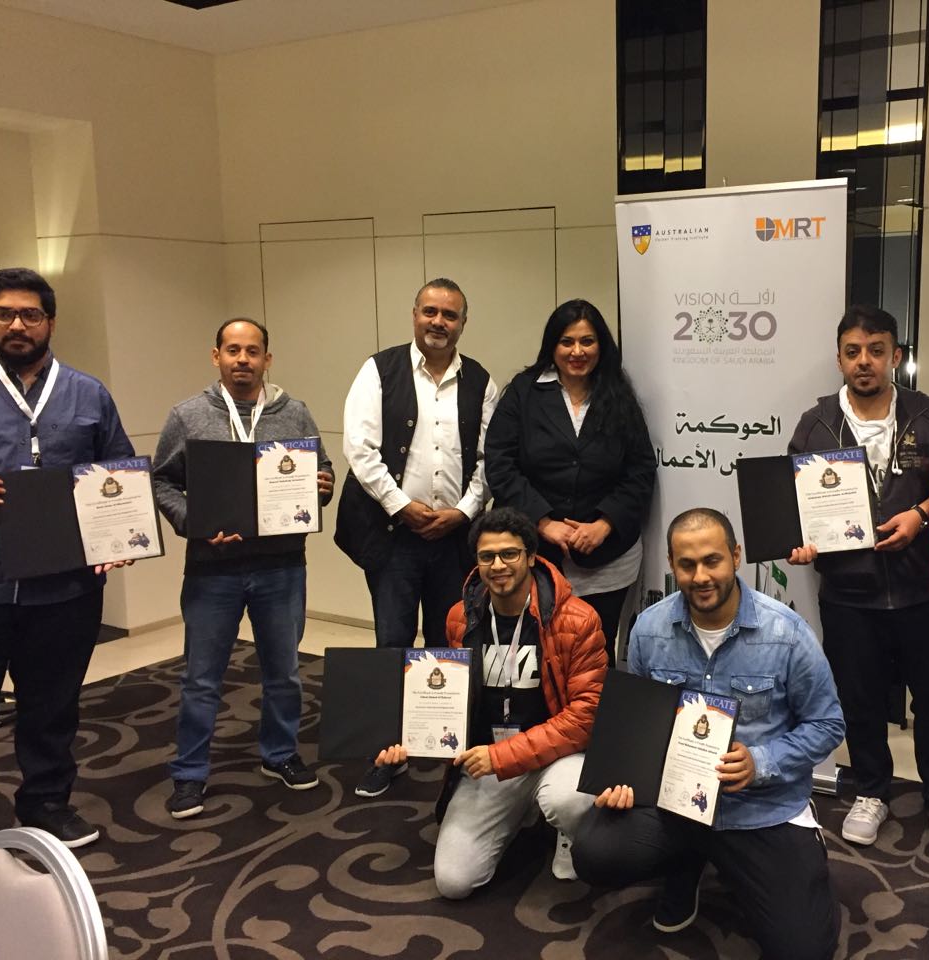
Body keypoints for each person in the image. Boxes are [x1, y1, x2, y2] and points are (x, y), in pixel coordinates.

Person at [572, 508, 845, 960]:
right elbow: (637, 722)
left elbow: (828, 724)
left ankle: (794, 849)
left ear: (735, 556)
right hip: (674, 802)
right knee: (595, 853)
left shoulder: (786, 633)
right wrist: (623, 780)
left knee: (803, 950)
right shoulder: (649, 630)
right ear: (671, 563)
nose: (700, 576)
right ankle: (688, 862)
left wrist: (761, 761)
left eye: (712, 561)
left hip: (757, 807)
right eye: (687, 564)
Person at [786, 305, 929, 849]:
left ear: (896, 355)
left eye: (876, 351)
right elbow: (794, 503)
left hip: (922, 588)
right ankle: (871, 789)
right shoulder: (817, 423)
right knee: (860, 697)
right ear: (839, 359)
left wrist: (919, 515)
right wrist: (799, 542)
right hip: (850, 592)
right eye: (853, 352)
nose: (864, 362)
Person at [372, 506, 606, 897]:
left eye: (509, 554)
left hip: (558, 756)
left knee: (568, 799)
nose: (498, 565)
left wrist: (502, 757)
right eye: (487, 556)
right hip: (491, 761)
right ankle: (520, 811)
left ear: (532, 557)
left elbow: (584, 718)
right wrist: (409, 741)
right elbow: (447, 702)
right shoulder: (460, 617)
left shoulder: (578, 620)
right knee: (454, 882)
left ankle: (565, 831)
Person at [153, 318, 334, 818]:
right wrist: (193, 522)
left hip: (281, 566)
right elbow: (163, 481)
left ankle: (280, 754)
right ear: (216, 356)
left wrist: (322, 485)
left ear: (266, 360)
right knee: (201, 678)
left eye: (253, 351)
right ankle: (190, 773)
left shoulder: (294, 412)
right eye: (233, 350)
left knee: (285, 672)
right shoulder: (188, 415)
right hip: (212, 569)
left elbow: (323, 469)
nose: (242, 360)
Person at [336, 278, 497, 799]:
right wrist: (401, 506)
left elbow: (489, 458)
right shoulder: (378, 370)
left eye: (449, 315)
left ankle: (447, 746)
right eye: (430, 311)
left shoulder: (481, 381)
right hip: (393, 537)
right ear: (414, 314)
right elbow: (360, 449)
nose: (438, 322)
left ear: (463, 323)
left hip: (453, 538)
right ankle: (388, 753)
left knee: (451, 643)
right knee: (393, 644)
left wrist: (464, 512)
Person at [0, 267, 135, 847]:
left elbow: (119, 472)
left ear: (50, 323)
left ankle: (47, 804)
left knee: (52, 705)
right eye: (4, 313)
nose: (17, 325)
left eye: (30, 314)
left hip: (66, 587)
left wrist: (120, 537)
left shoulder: (88, 393)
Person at [484, 299, 655, 664]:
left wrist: (604, 524)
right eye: (567, 341)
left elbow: (640, 470)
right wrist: (543, 522)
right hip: (537, 552)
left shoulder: (618, 394)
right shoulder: (524, 391)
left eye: (587, 341)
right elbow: (500, 464)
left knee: (595, 653)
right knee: (537, 652)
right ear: (553, 345)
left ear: (601, 346)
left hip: (609, 555)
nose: (577, 351)